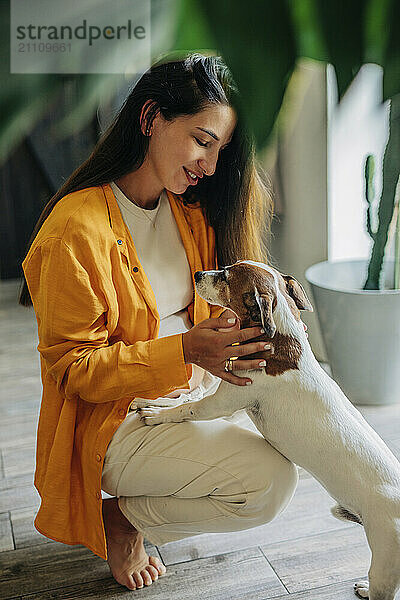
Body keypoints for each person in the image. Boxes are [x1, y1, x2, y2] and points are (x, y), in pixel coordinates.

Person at [19, 52, 299, 592]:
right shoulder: (72, 232)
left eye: (219, 150)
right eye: (201, 140)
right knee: (269, 484)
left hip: (186, 400)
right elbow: (73, 372)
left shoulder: (187, 211)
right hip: (117, 422)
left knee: (293, 441)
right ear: (150, 119)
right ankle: (123, 520)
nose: (211, 166)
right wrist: (187, 352)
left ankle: (141, 509)